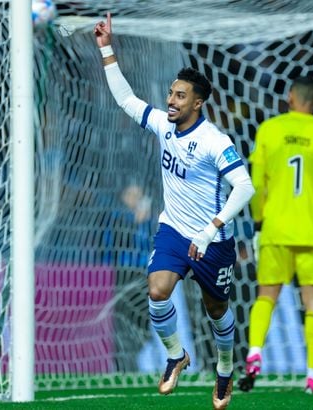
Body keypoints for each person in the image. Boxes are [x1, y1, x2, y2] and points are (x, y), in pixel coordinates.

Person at [94, 13, 254, 410]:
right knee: (157, 290)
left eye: (180, 96)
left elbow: (246, 186)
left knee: (217, 311)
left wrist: (211, 227)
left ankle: (224, 369)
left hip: (212, 239)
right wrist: (106, 48)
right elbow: (127, 100)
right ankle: (176, 356)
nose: (170, 100)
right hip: (174, 230)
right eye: (171, 93)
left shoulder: (215, 141)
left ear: (197, 103)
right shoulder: (164, 126)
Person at [237, 76, 313, 394]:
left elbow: (256, 184)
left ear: (290, 97)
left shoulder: (269, 130)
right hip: (312, 232)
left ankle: (254, 357)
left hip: (275, 228)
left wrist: (258, 223)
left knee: (266, 296)